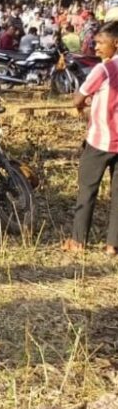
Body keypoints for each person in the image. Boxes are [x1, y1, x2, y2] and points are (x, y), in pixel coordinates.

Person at [66, 21, 118, 256]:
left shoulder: (104, 70)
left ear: (115, 44)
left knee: (87, 190)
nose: (96, 47)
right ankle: (112, 246)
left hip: (100, 139)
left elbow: (78, 98)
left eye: (100, 43)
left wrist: (82, 106)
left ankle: (78, 242)